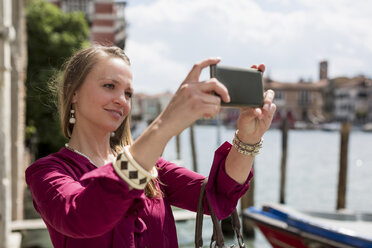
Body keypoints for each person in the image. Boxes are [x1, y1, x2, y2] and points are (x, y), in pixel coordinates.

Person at [25, 45, 276, 248]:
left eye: (129, 93)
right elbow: (82, 216)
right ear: (74, 92)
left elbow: (217, 197)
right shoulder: (46, 173)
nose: (121, 100)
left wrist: (248, 137)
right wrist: (166, 123)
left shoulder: (153, 168)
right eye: (109, 86)